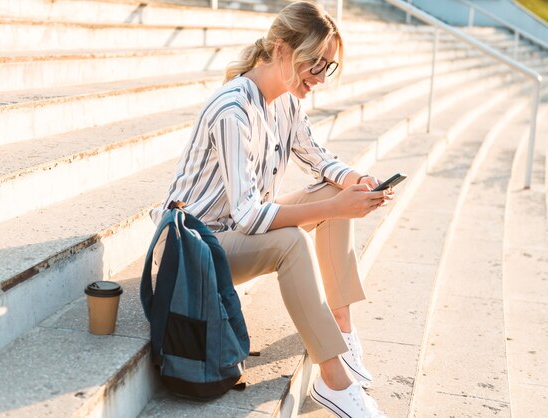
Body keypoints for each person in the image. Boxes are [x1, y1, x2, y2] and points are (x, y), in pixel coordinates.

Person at [152, 2, 392, 416]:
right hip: (192, 249)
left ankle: (342, 326)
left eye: (327, 67)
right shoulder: (233, 109)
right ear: (281, 50)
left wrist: (355, 180)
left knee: (331, 190)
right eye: (314, 64)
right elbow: (247, 215)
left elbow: (316, 156)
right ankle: (335, 382)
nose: (319, 78)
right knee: (292, 241)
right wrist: (339, 205)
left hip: (231, 232)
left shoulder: (286, 100)